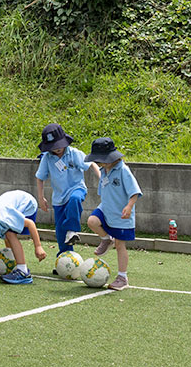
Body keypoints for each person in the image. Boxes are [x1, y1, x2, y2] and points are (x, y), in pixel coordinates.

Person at [83, 137, 139, 291]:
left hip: (121, 215)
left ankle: (122, 277)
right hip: (105, 209)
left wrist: (129, 206)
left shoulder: (123, 170)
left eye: (101, 160)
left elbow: (135, 192)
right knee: (92, 221)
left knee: (121, 245)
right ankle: (106, 240)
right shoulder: (104, 169)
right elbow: (103, 180)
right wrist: (95, 166)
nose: (100, 163)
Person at [33, 123, 88, 254]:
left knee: (75, 199)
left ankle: (72, 230)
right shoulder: (47, 158)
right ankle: (64, 258)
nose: (57, 149)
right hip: (59, 198)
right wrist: (41, 198)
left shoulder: (74, 153)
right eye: (53, 147)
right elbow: (40, 178)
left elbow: (90, 165)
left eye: (59, 145)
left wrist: (101, 178)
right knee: (60, 232)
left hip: (77, 188)